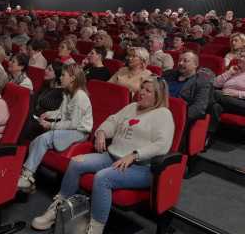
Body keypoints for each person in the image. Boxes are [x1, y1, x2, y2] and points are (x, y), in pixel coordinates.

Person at [31, 77, 174, 234]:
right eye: (142, 88)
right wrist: (101, 132)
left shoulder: (163, 114)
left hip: (141, 168)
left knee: (103, 177)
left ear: (158, 96)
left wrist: (134, 155)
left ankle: (95, 229)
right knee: (76, 162)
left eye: (148, 91)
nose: (141, 92)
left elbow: (162, 145)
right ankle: (58, 208)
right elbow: (112, 121)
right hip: (112, 157)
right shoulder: (133, 106)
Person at [18, 64, 93, 192]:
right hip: (71, 128)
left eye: (63, 75)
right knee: (37, 140)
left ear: (73, 78)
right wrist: (49, 114)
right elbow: (62, 113)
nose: (60, 77)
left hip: (80, 132)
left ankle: (27, 176)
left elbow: (73, 124)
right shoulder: (68, 93)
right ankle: (29, 176)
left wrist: (51, 125)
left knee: (45, 138)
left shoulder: (80, 96)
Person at [163, 51, 214, 122]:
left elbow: (198, 108)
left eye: (185, 61)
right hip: (159, 111)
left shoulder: (202, 82)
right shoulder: (168, 74)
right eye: (180, 60)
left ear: (195, 64)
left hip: (178, 118)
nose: (180, 63)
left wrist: (177, 116)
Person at [211, 50, 245, 130]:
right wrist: (229, 72)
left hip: (241, 102)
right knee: (215, 107)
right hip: (226, 100)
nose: (240, 58)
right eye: (240, 56)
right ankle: (208, 136)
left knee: (216, 93)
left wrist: (235, 94)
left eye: (244, 57)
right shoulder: (234, 70)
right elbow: (215, 83)